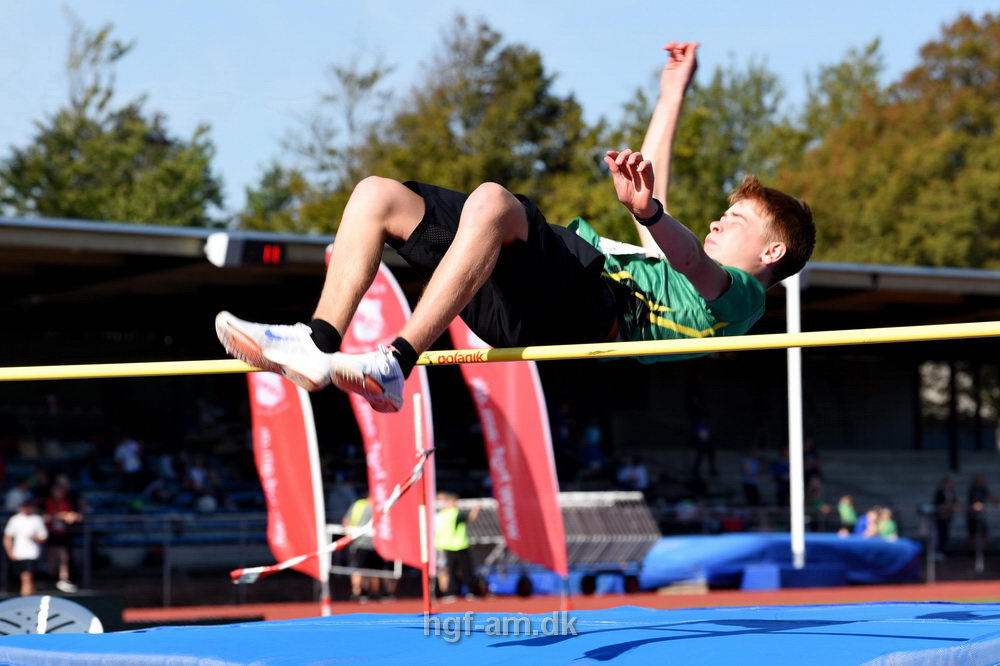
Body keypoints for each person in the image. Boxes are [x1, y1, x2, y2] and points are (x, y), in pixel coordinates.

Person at [214, 42, 815, 413]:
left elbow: (691, 259)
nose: (716, 219)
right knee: (377, 197)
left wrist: (650, 213)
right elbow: (655, 187)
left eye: (733, 218)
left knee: (496, 203)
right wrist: (671, 94)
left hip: (586, 310)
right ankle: (318, 344)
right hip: (519, 302)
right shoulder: (677, 270)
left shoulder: (740, 301)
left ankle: (395, 361)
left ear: (772, 249)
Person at [434, 492, 481, 601]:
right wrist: (476, 508)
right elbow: (472, 518)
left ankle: (452, 593)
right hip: (459, 545)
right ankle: (470, 591)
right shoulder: (455, 513)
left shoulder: (441, 514)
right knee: (466, 570)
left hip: (446, 546)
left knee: (451, 571)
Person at [43, 483, 83, 593]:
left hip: (63, 534)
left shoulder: (66, 502)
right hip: (51, 533)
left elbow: (73, 516)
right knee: (52, 556)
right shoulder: (49, 502)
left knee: (64, 557)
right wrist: (62, 515)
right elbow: (48, 515)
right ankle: (51, 578)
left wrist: (68, 516)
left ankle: (63, 579)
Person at [343, 494, 382, 602]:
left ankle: (357, 592)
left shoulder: (358, 505)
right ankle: (372, 594)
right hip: (372, 543)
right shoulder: (381, 506)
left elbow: (346, 521)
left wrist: (349, 536)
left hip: (361, 542)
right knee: (373, 570)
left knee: (360, 569)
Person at [4, 500, 47, 596]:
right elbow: (7, 537)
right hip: (19, 554)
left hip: (32, 554)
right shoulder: (15, 520)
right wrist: (10, 551)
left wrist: (34, 538)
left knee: (26, 577)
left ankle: (25, 598)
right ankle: (32, 598)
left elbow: (43, 537)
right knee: (26, 578)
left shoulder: (37, 519)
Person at [966, 474, 996, 554]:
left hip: (981, 514)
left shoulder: (984, 488)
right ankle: (970, 551)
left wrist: (996, 502)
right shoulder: (973, 488)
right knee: (972, 534)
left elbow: (990, 497)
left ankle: (983, 551)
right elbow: (974, 500)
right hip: (972, 515)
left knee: (984, 533)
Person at [933, 477, 959, 559]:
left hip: (948, 517)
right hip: (940, 517)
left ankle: (942, 550)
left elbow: (954, 503)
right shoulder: (939, 493)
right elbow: (937, 505)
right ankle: (938, 551)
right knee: (940, 534)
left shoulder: (952, 492)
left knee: (946, 535)